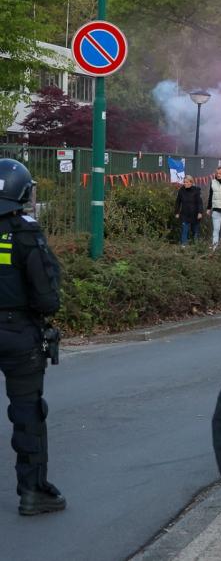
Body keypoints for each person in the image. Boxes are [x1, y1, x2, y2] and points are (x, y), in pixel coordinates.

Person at [0, 159, 65, 515]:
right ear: (22, 192)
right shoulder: (25, 231)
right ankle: (33, 492)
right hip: (17, 333)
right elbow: (47, 297)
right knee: (28, 413)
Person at [174, 176, 204, 245]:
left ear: (191, 182)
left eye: (187, 182)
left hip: (195, 214)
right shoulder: (181, 190)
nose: (185, 183)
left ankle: (196, 246)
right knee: (184, 230)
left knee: (195, 231)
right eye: (184, 182)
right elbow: (178, 202)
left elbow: (199, 202)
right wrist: (177, 212)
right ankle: (184, 245)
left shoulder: (196, 190)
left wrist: (200, 212)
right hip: (185, 214)